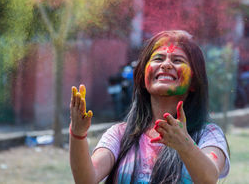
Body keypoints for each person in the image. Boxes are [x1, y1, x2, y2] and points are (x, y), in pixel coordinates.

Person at [69, 30, 230, 184]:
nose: (166, 65)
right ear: (142, 77)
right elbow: (86, 180)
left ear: (194, 82)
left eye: (177, 60)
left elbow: (208, 179)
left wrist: (184, 144)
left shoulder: (208, 135)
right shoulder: (120, 135)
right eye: (158, 59)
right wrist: (78, 133)